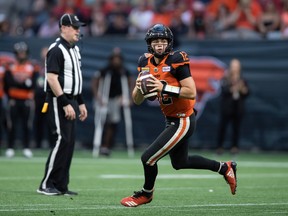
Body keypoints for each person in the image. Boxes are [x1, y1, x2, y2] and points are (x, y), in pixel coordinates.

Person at [120, 23, 237, 207]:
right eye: (156, 41)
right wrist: (139, 88)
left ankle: (146, 194)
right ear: (150, 44)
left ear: (169, 43)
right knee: (181, 162)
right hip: (171, 119)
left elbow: (191, 92)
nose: (159, 44)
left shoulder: (176, 59)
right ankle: (225, 167)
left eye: (163, 41)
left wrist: (163, 87)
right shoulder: (144, 62)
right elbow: (137, 100)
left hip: (184, 119)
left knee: (148, 158)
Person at [37, 13, 88, 196]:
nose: (78, 31)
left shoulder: (74, 49)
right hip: (59, 100)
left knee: (69, 142)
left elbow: (75, 79)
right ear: (63, 28)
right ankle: (46, 184)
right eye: (74, 27)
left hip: (71, 100)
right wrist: (65, 102)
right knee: (62, 139)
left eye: (78, 27)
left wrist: (80, 102)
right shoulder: (57, 49)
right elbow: (51, 78)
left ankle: (60, 185)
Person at [92, 47, 133, 157]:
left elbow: (131, 83)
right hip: (104, 99)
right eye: (114, 58)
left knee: (113, 123)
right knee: (102, 122)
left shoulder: (124, 71)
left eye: (118, 58)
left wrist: (128, 98)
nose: (116, 61)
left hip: (115, 100)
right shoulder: (105, 71)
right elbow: (95, 82)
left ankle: (107, 146)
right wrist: (98, 97)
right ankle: (100, 145)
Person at [3, 41, 38, 158]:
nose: (21, 55)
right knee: (11, 124)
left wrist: (18, 83)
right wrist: (24, 83)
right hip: (13, 100)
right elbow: (8, 83)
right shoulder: (10, 66)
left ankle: (27, 147)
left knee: (27, 125)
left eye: (23, 52)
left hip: (27, 100)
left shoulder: (32, 66)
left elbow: (33, 84)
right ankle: (10, 147)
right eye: (19, 53)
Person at [216, 58, 249, 155]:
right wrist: (232, 87)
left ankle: (235, 147)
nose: (235, 68)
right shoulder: (226, 78)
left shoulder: (242, 79)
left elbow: (247, 93)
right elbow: (223, 91)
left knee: (236, 128)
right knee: (223, 128)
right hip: (227, 107)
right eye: (233, 66)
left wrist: (242, 89)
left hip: (238, 107)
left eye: (236, 66)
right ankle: (219, 147)